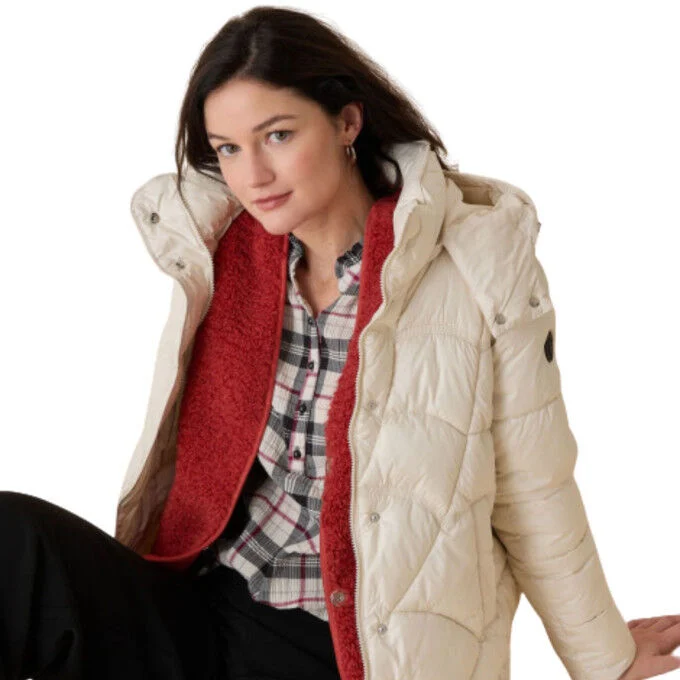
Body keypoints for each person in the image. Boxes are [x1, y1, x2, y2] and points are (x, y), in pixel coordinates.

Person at [1, 6, 679, 680]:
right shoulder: (227, 258)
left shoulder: (471, 272)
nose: (253, 175)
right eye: (228, 148)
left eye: (277, 135)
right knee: (13, 541)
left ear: (347, 122)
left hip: (348, 646)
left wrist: (603, 658)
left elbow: (533, 483)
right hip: (209, 604)